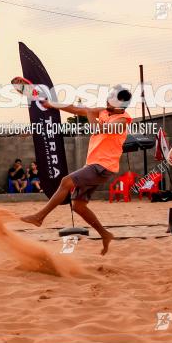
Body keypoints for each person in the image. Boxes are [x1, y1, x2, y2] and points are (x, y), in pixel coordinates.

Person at [21, 84, 133, 255]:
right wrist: (51, 104)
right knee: (79, 206)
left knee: (66, 181)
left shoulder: (123, 120)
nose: (108, 100)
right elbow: (74, 108)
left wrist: (90, 114)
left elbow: (98, 129)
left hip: (104, 166)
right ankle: (105, 234)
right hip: (93, 165)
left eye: (112, 98)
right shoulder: (103, 111)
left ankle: (39, 217)